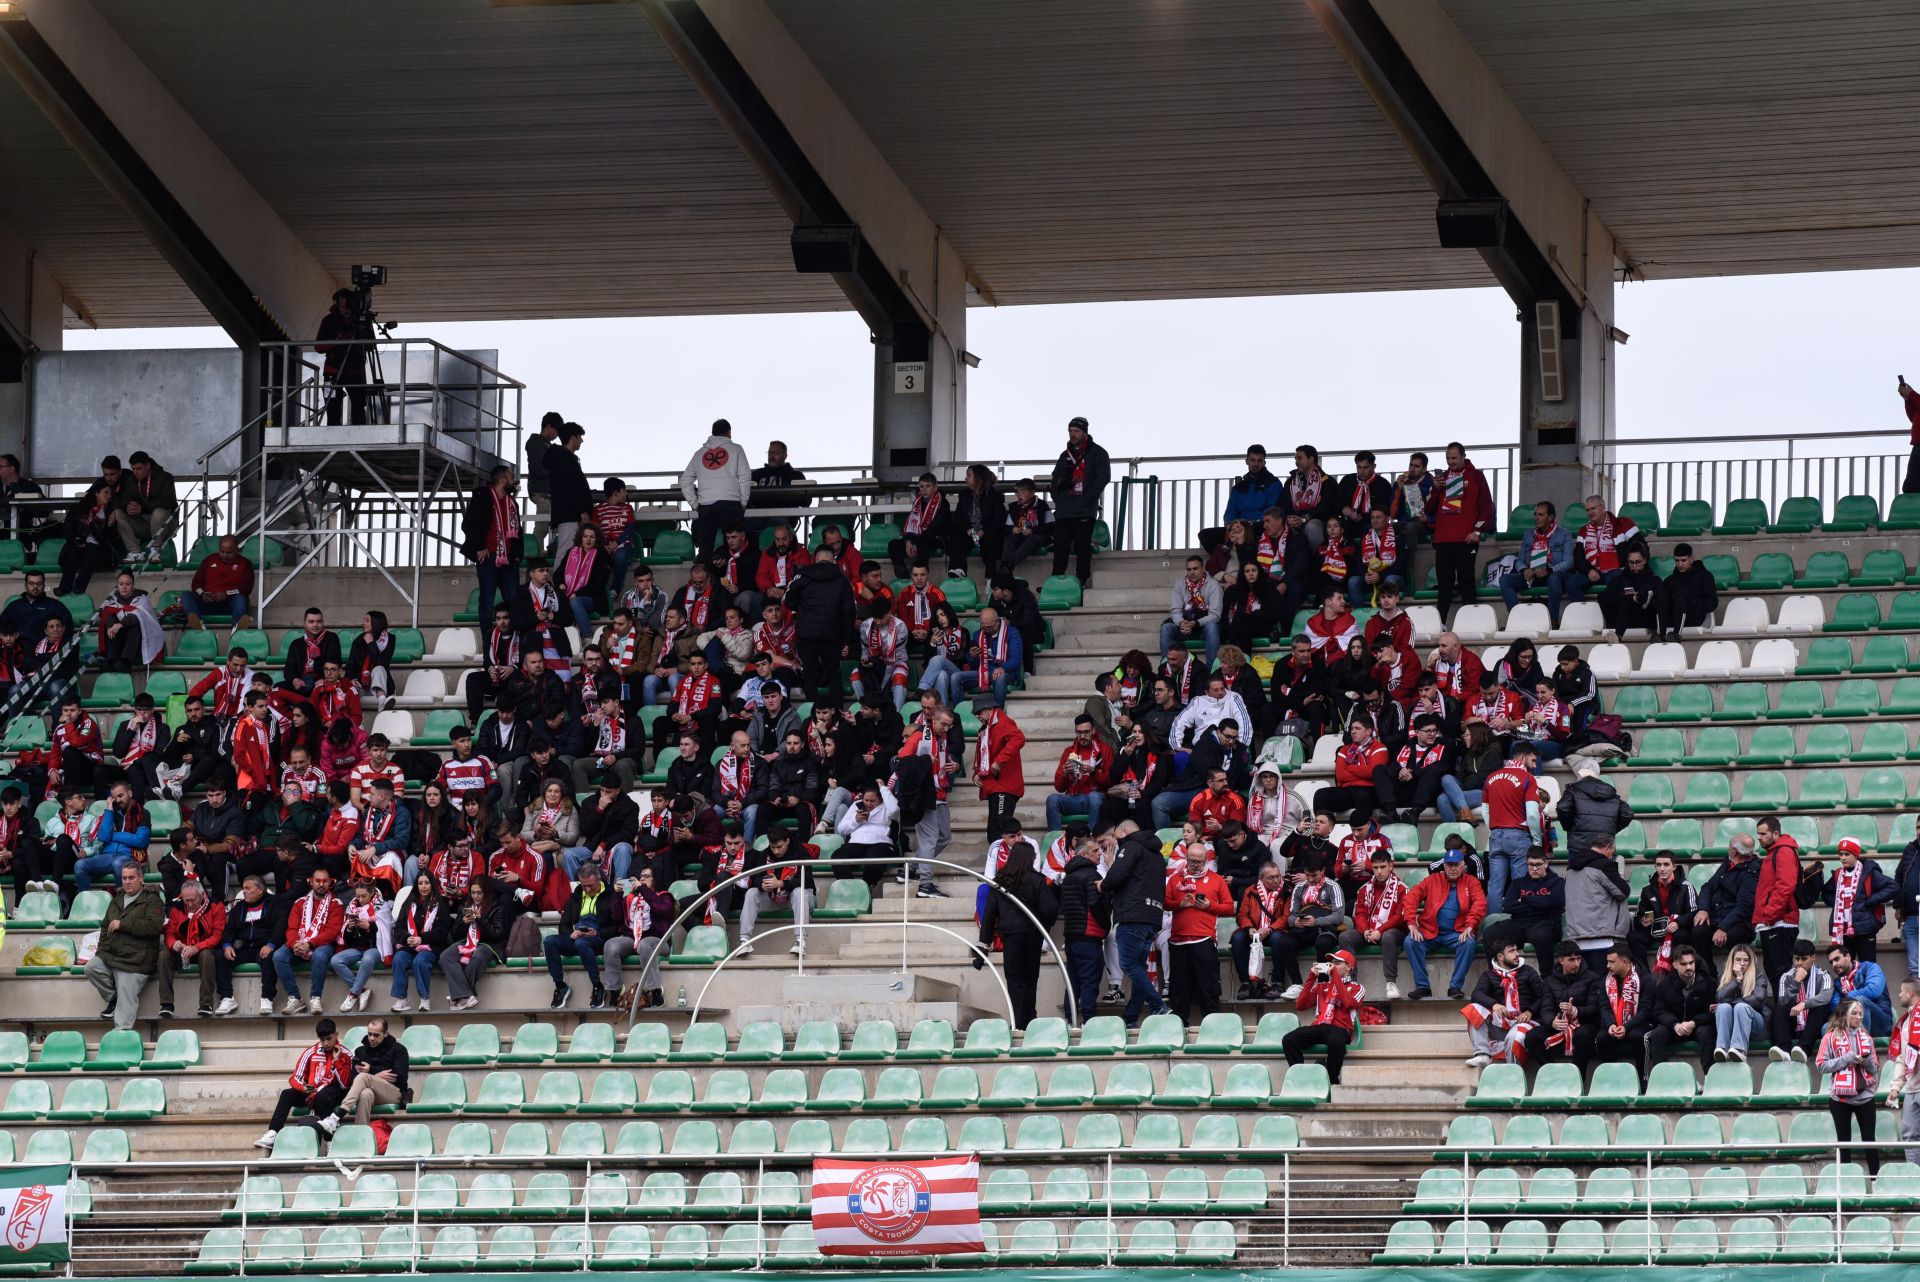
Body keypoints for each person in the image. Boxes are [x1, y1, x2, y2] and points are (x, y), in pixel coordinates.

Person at [975, 841, 1058, 1030]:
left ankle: (1018, 1021)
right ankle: (1030, 1018)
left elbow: (989, 915)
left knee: (1014, 980)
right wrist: (1043, 926)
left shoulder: (1000, 881)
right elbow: (1050, 908)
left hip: (1010, 936)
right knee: (1030, 978)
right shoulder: (1037, 880)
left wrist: (985, 941)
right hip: (1032, 935)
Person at [1102, 822, 1171, 1025]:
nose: (1115, 840)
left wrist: (1104, 881)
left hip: (1132, 915)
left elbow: (1116, 877)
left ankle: (1158, 1006)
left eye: (1116, 835)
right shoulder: (1157, 855)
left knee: (1129, 965)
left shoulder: (1131, 846)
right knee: (1138, 968)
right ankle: (1131, 1017)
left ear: (1125, 832)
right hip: (1152, 917)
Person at [80, 861, 162, 1028]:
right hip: (112, 955)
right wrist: (101, 952)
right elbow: (105, 927)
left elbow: (154, 927)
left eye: (131, 878)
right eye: (124, 878)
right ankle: (113, 998)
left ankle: (122, 1035)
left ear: (141, 878)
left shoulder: (152, 900)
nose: (127, 882)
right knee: (91, 968)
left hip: (136, 961)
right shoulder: (116, 899)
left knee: (126, 999)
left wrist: (123, 924)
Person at [255, 1017, 353, 1150]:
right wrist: (302, 1087)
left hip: (334, 1093)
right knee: (286, 1094)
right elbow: (294, 1077)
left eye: (329, 1039)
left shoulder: (346, 1054)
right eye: (322, 1040)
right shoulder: (310, 1052)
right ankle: (273, 1133)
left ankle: (330, 1141)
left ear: (336, 1035)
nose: (325, 1043)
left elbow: (345, 1084)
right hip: (312, 1093)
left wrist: (337, 1061)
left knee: (323, 1096)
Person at [1163, 837, 1231, 1023]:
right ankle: (1179, 1025)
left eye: (1199, 861)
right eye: (1192, 860)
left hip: (1204, 939)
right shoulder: (1175, 879)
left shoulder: (1217, 880)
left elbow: (1229, 908)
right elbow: (1165, 903)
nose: (1195, 864)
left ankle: (1213, 1025)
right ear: (1186, 858)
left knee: (1208, 987)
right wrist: (1180, 905)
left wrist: (1209, 906)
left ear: (1206, 860)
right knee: (1179, 988)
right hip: (1178, 941)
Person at [1403, 847, 1484, 1000]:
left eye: (1456, 864)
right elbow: (1411, 897)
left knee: (1469, 943)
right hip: (1429, 931)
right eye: (1449, 865)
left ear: (1463, 866)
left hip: (1457, 932)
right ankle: (1422, 986)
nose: (1453, 868)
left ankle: (1455, 987)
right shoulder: (1433, 879)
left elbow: (1480, 903)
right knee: (1410, 941)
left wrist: (1470, 926)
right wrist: (1411, 923)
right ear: (1444, 866)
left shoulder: (1471, 882)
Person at [546, 859, 623, 1010]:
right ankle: (560, 986)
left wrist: (598, 932)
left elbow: (618, 925)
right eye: (583, 885)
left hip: (599, 939)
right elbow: (563, 924)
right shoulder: (575, 896)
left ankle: (597, 986)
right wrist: (570, 933)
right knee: (549, 941)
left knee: (583, 943)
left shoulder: (611, 895)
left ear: (598, 879)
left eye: (590, 885)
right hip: (577, 938)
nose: (587, 889)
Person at [1429, 442, 1494, 620]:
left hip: (1466, 538)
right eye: (1448, 458)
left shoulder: (1476, 476)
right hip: (1443, 538)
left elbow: (1487, 508)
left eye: (1454, 458)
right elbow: (1428, 507)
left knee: (1466, 580)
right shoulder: (1441, 478)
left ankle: (1470, 622)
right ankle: (1441, 623)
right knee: (1444, 584)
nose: (1450, 462)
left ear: (1463, 456)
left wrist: (1477, 531)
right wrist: (1435, 489)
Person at [1281, 948, 1363, 1085]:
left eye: (1337, 963)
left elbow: (1349, 1003)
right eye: (1331, 963)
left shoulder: (1357, 987)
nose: (1332, 966)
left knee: (1336, 1041)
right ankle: (1300, 1078)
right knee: (1289, 1039)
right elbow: (1300, 1005)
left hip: (1341, 1028)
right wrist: (1311, 977)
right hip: (1319, 1026)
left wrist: (1335, 975)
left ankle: (1331, 1079)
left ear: (1348, 967)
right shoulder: (1322, 986)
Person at [786, 547, 856, 708]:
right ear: (833, 560)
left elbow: (789, 599)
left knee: (810, 675)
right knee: (834, 675)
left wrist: (802, 610)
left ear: (815, 559)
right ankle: (838, 713)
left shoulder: (802, 576)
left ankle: (812, 715)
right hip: (832, 635)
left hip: (806, 634)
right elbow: (848, 613)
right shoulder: (842, 579)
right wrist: (846, 640)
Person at [1820, 999, 1884, 1175]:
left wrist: (1867, 1061)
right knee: (1844, 1141)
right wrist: (1846, 1059)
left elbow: (1875, 1069)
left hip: (1865, 1096)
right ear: (1844, 1015)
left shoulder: (1867, 1038)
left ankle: (1875, 1180)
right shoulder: (1830, 1037)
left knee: (1870, 1140)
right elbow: (1821, 1065)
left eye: (1860, 1014)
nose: (1859, 1017)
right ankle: (1847, 1182)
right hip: (1839, 1098)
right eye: (1854, 1013)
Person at [1463, 939, 1547, 1068]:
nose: (1517, 954)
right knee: (1473, 1008)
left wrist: (1529, 1011)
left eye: (1516, 950)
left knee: (1515, 1035)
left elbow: (1544, 995)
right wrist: (1494, 1004)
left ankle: (1512, 1070)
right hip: (1501, 1024)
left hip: (1524, 1022)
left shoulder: (1528, 971)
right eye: (1512, 951)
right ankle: (1483, 1055)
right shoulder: (1489, 975)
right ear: (1500, 956)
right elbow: (1476, 995)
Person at [461, 466, 523, 636]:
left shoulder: (512, 503)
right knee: (487, 601)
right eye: (511, 477)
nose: (514, 481)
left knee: (513, 600)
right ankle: (488, 640)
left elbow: (518, 531)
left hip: (509, 560)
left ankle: (512, 639)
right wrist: (480, 547)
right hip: (488, 558)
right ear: (503, 480)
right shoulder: (483, 498)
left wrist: (517, 556)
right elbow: (467, 525)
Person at [1270, 863, 1347, 999]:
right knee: (1284, 942)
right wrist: (1295, 922)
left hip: (1326, 928)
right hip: (1305, 930)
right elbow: (1291, 915)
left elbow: (1339, 916)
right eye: (1308, 875)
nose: (1310, 879)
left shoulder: (1332, 886)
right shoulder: (1299, 887)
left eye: (1314, 875)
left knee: (1322, 942)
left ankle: (1323, 984)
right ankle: (1297, 984)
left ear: (1322, 870)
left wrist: (1317, 921)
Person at [681, 418, 754, 559]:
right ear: (729, 432)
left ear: (712, 433)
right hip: (731, 502)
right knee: (735, 548)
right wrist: (742, 503)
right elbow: (745, 477)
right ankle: (732, 579)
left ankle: (703, 579)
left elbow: (685, 481)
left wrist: (695, 505)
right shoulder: (736, 449)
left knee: (705, 549)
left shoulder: (699, 454)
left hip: (706, 505)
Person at [1049, 416, 1109, 586]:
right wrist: (1057, 498)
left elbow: (1103, 478)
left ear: (1085, 432)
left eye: (1076, 431)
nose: (1072, 434)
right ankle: (1055, 580)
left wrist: (1088, 498)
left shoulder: (1098, 453)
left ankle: (1082, 580)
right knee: (1060, 546)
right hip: (1064, 509)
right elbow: (1055, 478)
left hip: (1084, 508)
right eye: (1070, 431)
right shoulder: (1064, 455)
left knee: (1083, 547)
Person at [322, 1018, 411, 1132]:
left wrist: (371, 1071)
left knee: (364, 1077)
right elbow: (354, 1079)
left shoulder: (399, 1049)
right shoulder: (360, 1051)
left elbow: (400, 1077)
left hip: (394, 1093)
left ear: (386, 1034)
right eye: (369, 1034)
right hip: (372, 1092)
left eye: (376, 1035)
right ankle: (362, 1135)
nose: (371, 1038)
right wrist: (376, 1075)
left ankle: (337, 1116)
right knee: (365, 1093)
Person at [1500, 500, 1579, 625]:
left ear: (1551, 517)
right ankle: (1516, 617)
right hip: (1532, 575)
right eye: (1535, 514)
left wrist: (1549, 570)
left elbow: (1569, 562)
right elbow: (1519, 560)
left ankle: (1552, 620)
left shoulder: (1564, 534)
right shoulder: (1528, 535)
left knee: (1554, 579)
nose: (1536, 518)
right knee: (1505, 580)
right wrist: (1523, 570)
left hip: (1553, 574)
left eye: (1540, 515)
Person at [1822, 836, 1895, 964]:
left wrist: (1871, 901)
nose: (1843, 857)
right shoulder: (1838, 874)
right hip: (1842, 931)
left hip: (1865, 930)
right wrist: (1838, 902)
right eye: (1840, 854)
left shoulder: (1869, 872)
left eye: (1847, 854)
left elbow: (1893, 887)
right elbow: (1826, 893)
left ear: (1856, 854)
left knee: (1867, 969)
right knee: (1844, 968)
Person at [1692, 833, 1760, 971]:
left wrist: (1723, 928)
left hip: (1739, 923)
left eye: (1730, 845)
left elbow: (1743, 908)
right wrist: (1703, 909)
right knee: (1697, 931)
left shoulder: (1751, 873)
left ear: (1734, 850)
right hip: (1717, 917)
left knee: (1733, 936)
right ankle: (1708, 974)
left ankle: (1737, 978)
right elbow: (1707, 887)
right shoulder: (1728, 864)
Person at [1565, 835, 1631, 975]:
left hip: (1578, 935)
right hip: (1602, 935)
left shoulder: (1571, 867)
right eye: (1613, 850)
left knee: (1587, 984)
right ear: (1607, 848)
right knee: (1604, 984)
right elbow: (1623, 892)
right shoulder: (1604, 865)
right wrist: (1619, 874)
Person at [1530, 941, 1604, 1068]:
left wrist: (1575, 1011)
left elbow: (1595, 1009)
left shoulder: (1592, 978)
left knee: (1583, 1035)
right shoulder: (1549, 981)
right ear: (1561, 960)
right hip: (1560, 1024)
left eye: (1578, 959)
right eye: (1571, 960)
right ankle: (1552, 1072)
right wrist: (1552, 1022)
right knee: (1531, 1038)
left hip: (1584, 1023)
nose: (1576, 963)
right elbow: (1545, 1009)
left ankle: (1577, 1076)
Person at [1646, 944, 1716, 1070]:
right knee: (1658, 1034)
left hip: (1697, 1026)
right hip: (1675, 1027)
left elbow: (1712, 1011)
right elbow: (1658, 1011)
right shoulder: (1664, 985)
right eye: (1684, 964)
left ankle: (1708, 1076)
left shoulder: (1708, 982)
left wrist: (1694, 1022)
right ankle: (1662, 1077)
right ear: (1675, 965)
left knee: (1706, 1032)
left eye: (1691, 963)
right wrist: (1675, 1025)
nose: (1689, 967)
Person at [1629, 851, 1698, 973]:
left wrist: (1678, 923)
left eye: (1666, 864)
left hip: (1677, 928)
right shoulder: (1647, 890)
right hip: (1655, 929)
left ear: (1674, 867)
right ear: (1655, 867)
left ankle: (1677, 974)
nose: (1662, 869)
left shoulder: (1686, 887)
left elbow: (1694, 912)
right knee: (1634, 937)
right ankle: (1644, 975)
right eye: (1658, 865)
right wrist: (1643, 920)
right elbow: (1639, 914)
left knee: (1682, 935)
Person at [1754, 816, 1804, 980]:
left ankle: (1785, 1006)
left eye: (1763, 834)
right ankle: (1782, 1006)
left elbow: (1786, 885)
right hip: (1774, 922)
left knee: (1780, 974)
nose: (1759, 838)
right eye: (1758, 834)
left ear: (1775, 833)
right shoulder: (1775, 852)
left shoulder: (1783, 851)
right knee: (1775, 972)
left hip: (1780, 922)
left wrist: (1769, 915)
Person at [1769, 939, 1834, 1064]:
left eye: (1804, 959)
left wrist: (1804, 1004)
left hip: (1814, 1025)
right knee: (1779, 1008)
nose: (1799, 963)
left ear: (1813, 958)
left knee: (1820, 1007)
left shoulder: (1824, 975)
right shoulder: (1787, 977)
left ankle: (1803, 1050)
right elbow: (1784, 1003)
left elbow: (1826, 996)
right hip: (1794, 1021)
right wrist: (1796, 981)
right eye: (1796, 959)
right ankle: (1784, 1050)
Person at [973, 694, 1026, 843]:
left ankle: (1001, 864)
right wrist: (977, 774)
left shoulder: (1003, 723)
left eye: (979, 712)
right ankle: (998, 864)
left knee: (999, 831)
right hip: (997, 785)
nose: (977, 716)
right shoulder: (989, 726)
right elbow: (983, 756)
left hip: (1004, 786)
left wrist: (999, 762)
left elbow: (1019, 739)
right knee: (995, 830)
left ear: (989, 709)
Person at [1591, 946, 1652, 1071]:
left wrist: (1627, 1026)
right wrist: (1610, 1025)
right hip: (1616, 1025)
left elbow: (1645, 1010)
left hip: (1639, 1024)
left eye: (1612, 962)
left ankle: (1642, 1078)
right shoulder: (1606, 981)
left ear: (1624, 962)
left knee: (1637, 1036)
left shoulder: (1645, 979)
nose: (1608, 965)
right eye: (1607, 961)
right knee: (1602, 1038)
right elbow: (1604, 1007)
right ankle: (1614, 1078)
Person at [316, 289, 371, 425]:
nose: (345, 310)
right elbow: (318, 347)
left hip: (355, 371)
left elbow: (370, 345)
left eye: (347, 306)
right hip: (332, 372)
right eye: (341, 306)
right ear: (336, 304)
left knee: (359, 408)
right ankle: (333, 438)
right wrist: (336, 341)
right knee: (332, 408)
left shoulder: (361, 321)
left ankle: (359, 438)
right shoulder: (328, 321)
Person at [1711, 942, 1772, 1061]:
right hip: (1733, 1025)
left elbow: (1758, 999)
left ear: (1750, 962)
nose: (1742, 964)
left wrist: (1734, 1002)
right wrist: (1737, 980)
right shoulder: (1725, 976)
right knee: (1722, 1007)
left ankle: (1739, 1050)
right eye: (1738, 960)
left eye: (1746, 960)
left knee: (1741, 1007)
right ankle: (1722, 1049)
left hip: (1757, 1026)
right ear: (1732, 961)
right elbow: (1720, 998)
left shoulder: (1758, 976)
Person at [182, 535, 255, 630]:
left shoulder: (245, 564)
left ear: (237, 550)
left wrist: (225, 595)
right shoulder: (209, 560)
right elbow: (196, 583)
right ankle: (199, 626)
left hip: (229, 605)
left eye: (229, 553)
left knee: (241, 598)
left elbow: (246, 588)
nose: (224, 555)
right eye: (222, 551)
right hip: (207, 603)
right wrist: (202, 594)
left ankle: (237, 629)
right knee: (187, 595)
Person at [1161, 556, 1222, 666]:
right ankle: (1166, 669)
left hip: (1203, 628)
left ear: (1203, 569)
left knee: (1213, 627)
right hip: (1184, 628)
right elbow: (1175, 610)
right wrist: (1181, 623)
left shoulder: (1213, 585)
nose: (1192, 572)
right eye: (1189, 569)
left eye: (1195, 569)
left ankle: (1212, 670)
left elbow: (1215, 615)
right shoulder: (1180, 584)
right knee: (1166, 628)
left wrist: (1195, 623)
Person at [114, 451, 178, 554]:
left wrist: (142, 508)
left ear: (148, 466)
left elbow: (167, 501)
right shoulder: (131, 480)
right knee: (117, 514)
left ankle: (155, 551)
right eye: (133, 469)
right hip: (144, 524)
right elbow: (125, 499)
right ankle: (134, 552)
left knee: (158, 512)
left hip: (166, 523)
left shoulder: (166, 477)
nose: (135, 472)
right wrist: (128, 507)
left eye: (139, 468)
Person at [1830, 939, 1893, 1036]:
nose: (1834, 964)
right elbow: (1835, 1007)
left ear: (1848, 956)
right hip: (1849, 1022)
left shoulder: (1870, 968)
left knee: (1860, 1001)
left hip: (1880, 1023)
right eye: (1831, 962)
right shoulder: (1837, 983)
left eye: (1837, 959)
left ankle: (1861, 1046)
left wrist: (1848, 996)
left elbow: (1874, 990)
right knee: (1826, 1028)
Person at [1887, 979, 1920, 1163]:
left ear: (1910, 994)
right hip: (1912, 1090)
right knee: (1909, 1136)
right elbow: (1902, 1056)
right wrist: (1896, 1087)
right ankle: (1915, 1180)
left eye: (1901, 991)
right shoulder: (1905, 1021)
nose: (1899, 994)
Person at [1600, 546, 1662, 639]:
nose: (1634, 565)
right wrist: (1624, 595)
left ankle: (1618, 636)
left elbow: (1662, 600)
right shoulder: (1619, 579)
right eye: (1631, 562)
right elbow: (1605, 596)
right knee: (1624, 599)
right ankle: (1618, 636)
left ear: (1644, 560)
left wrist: (1640, 597)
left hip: (1647, 619)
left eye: (1638, 562)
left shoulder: (1654, 580)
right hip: (1624, 618)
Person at [1662, 542, 1719, 637]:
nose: (1680, 564)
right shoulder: (1669, 580)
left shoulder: (1705, 576)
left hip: (1694, 617)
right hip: (1672, 618)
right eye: (1677, 560)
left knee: (1680, 596)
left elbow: (1712, 603)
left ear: (1691, 559)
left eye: (1683, 560)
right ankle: (1661, 632)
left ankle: (1676, 633)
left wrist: (1690, 601)